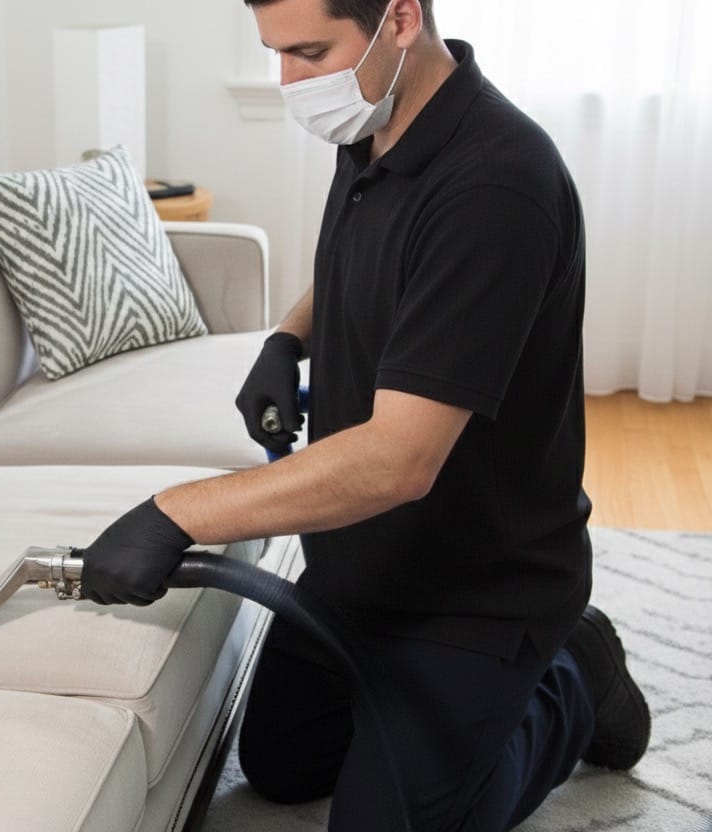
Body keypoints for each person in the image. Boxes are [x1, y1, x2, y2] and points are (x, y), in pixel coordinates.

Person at [76, 0, 652, 829]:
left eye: (309, 51)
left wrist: (177, 512)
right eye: (274, 53)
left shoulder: (497, 183)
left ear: (402, 18)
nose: (289, 81)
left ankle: (573, 674)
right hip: (360, 558)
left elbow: (397, 462)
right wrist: (289, 337)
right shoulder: (373, 122)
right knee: (280, 767)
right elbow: (368, 257)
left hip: (478, 588)